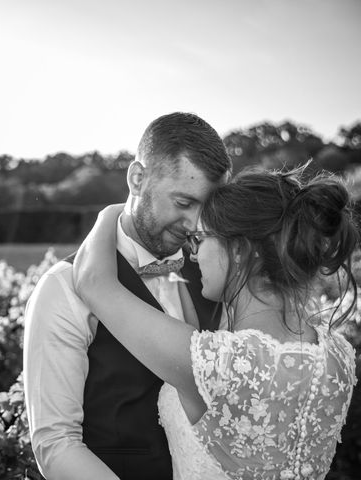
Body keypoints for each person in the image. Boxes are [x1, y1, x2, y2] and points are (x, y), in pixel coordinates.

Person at [72, 167, 358, 480]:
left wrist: (114, 212)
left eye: (199, 239)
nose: (193, 255)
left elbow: (92, 281)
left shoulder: (217, 364)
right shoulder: (338, 358)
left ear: (239, 249)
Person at [23, 112, 232, 479]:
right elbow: (56, 445)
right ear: (137, 178)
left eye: (206, 208)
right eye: (184, 202)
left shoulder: (218, 277)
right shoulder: (63, 288)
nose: (195, 224)